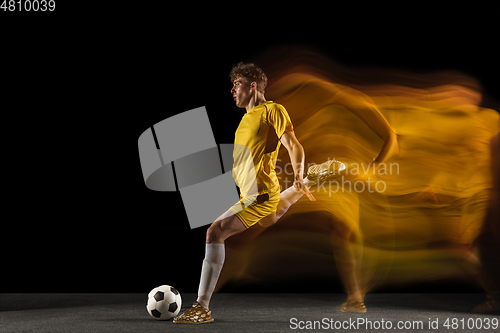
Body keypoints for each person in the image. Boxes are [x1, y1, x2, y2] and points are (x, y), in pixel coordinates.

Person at [174, 63, 320, 324]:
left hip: (260, 194)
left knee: (215, 232)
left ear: (253, 85)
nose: (232, 90)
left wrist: (297, 171)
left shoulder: (272, 110)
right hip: (251, 194)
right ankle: (308, 183)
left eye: (237, 84)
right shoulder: (245, 119)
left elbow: (293, 144)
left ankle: (202, 307)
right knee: (270, 219)